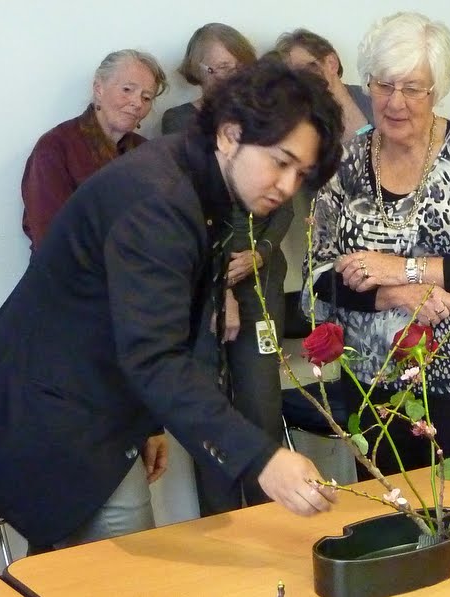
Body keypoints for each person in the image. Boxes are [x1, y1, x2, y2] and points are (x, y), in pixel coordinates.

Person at [0, 57, 344, 551]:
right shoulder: (158, 199)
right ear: (230, 134)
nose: (287, 186)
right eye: (280, 161)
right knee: (111, 569)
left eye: (300, 173)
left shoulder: (191, 174)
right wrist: (263, 459)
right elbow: (154, 354)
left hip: (94, 404)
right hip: (54, 412)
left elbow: (159, 322)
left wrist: (148, 421)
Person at [303, 12, 450, 477]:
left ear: (437, 89)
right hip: (374, 386)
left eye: (413, 88)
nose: (396, 102)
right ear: (366, 85)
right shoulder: (343, 165)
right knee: (393, 520)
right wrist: (392, 293)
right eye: (384, 85)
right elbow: (316, 279)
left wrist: (401, 269)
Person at [163, 24, 292, 515]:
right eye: (208, 68)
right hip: (203, 287)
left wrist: (259, 253)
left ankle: (268, 521)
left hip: (263, 281)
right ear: (195, 73)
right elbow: (191, 206)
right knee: (208, 412)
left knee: (261, 406)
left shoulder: (269, 118)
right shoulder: (179, 121)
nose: (218, 77)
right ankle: (219, 525)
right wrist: (219, 282)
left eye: (228, 66)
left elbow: (285, 204)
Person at [22, 49, 167, 251]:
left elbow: (163, 223)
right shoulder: (55, 147)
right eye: (127, 89)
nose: (137, 103)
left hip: (134, 274)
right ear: (98, 88)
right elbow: (52, 239)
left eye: (147, 97)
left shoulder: (147, 152)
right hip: (69, 277)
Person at [275, 28, 374, 142]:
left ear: (332, 63)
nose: (301, 79)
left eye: (307, 69)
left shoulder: (370, 97)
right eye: (292, 76)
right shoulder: (299, 118)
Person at [162, 22, 256, 134]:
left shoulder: (260, 112)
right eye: (223, 67)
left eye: (241, 66)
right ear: (197, 69)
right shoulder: (180, 119)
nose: (235, 75)